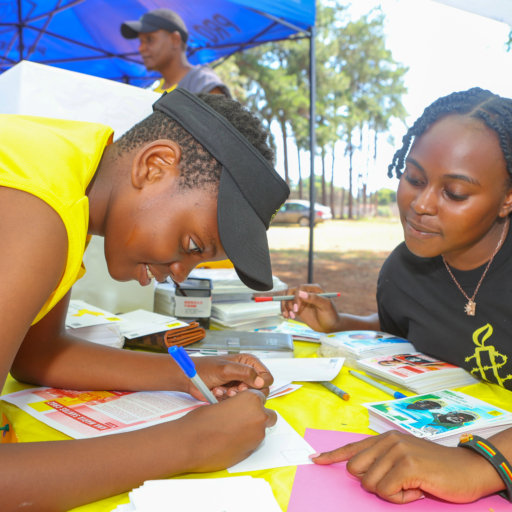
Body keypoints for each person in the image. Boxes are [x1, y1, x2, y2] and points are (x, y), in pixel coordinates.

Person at [0, 89, 289, 510]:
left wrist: (187, 374)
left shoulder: (67, 170)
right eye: (192, 244)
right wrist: (190, 443)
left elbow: (36, 355)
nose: (180, 273)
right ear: (155, 166)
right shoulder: (39, 209)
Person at [281, 88, 512, 504]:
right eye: (414, 179)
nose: (420, 204)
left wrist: (483, 463)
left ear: (507, 198)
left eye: (455, 193)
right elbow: (401, 331)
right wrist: (341, 322)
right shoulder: (403, 269)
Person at [121, 9, 231, 97]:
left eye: (149, 39)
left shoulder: (204, 84)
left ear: (175, 40)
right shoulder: (152, 93)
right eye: (141, 41)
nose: (141, 48)